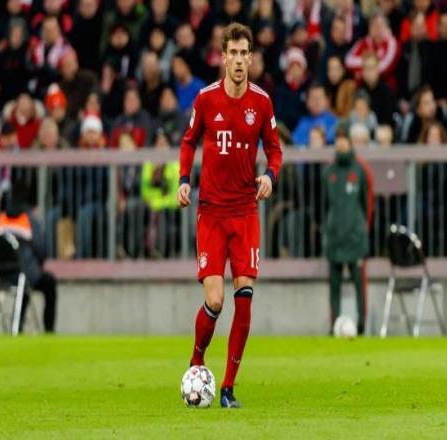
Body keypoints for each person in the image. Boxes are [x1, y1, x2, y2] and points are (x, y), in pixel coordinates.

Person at [178, 23, 282, 408]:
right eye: (233, 53)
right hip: (211, 212)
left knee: (245, 297)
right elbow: (188, 141)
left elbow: (275, 150)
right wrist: (184, 180)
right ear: (223, 58)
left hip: (245, 212)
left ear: (251, 59)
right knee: (216, 300)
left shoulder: (262, 102)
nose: (239, 60)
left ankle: (227, 388)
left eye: (244, 54)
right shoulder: (206, 99)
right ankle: (197, 361)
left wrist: (269, 176)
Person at [322, 135, 373, 336]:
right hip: (334, 237)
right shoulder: (328, 172)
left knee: (360, 284)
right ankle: (334, 324)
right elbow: (323, 206)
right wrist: (328, 228)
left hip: (355, 237)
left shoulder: (361, 169)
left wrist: (362, 228)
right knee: (334, 285)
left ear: (350, 143)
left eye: (344, 140)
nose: (340, 144)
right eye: (338, 140)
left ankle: (361, 325)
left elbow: (368, 203)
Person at [0, 182, 58, 332]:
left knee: (24, 282)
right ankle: (49, 330)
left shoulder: (1, 219)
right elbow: (42, 250)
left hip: (3, 275)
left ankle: (17, 325)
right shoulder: (29, 218)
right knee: (48, 283)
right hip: (26, 274)